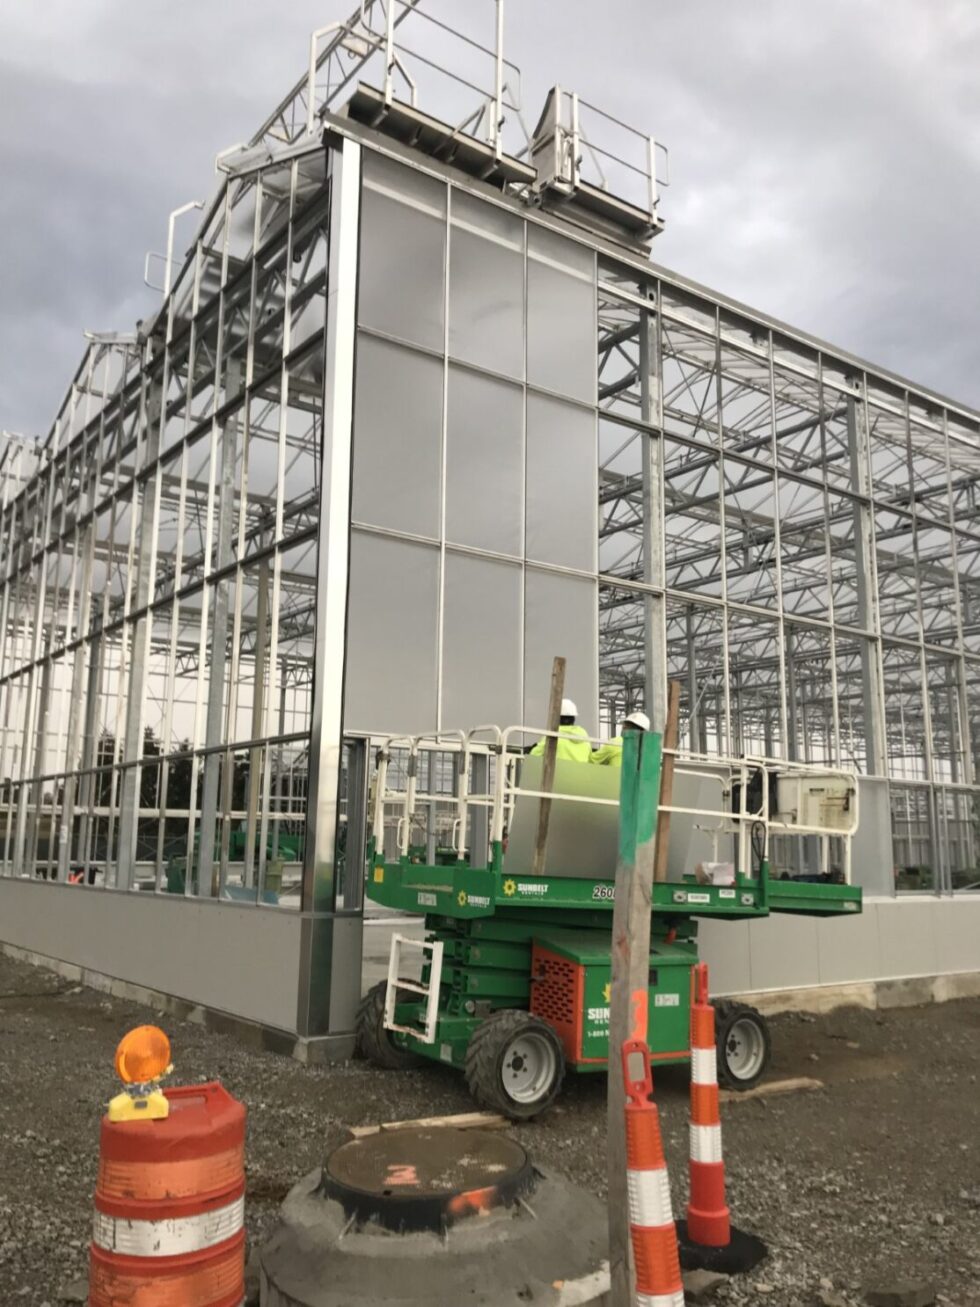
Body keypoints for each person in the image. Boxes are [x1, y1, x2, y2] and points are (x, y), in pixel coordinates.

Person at [530, 698, 592, 763]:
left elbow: (534, 755)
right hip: (581, 772)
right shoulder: (584, 736)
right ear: (573, 718)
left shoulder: (553, 735)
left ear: (556, 718)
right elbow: (591, 759)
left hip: (558, 772)